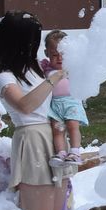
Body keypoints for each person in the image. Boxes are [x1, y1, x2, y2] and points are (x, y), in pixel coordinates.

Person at [0, 11, 67, 210]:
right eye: (33, 39)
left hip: (53, 137)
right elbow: (24, 105)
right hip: (32, 140)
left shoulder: (34, 69)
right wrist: (54, 80)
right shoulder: (2, 75)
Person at [41, 30, 89, 164]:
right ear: (47, 54)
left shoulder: (73, 66)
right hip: (55, 104)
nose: (60, 58)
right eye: (54, 55)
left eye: (63, 54)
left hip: (71, 101)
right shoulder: (46, 68)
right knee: (57, 130)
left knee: (72, 126)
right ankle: (61, 153)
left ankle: (75, 152)